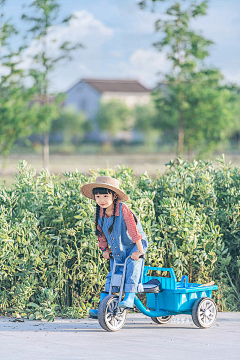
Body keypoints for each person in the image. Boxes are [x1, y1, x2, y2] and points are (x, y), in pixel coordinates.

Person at [81, 176, 148, 318]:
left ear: (114, 196)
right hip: (117, 248)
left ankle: (129, 297)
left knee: (132, 267)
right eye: (98, 196)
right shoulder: (100, 212)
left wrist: (139, 251)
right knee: (113, 273)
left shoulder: (123, 209)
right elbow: (101, 234)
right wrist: (104, 250)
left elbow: (133, 231)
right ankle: (103, 306)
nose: (101, 200)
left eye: (106, 196)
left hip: (133, 245)